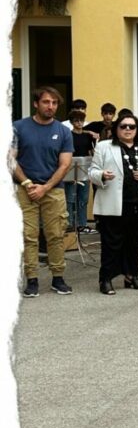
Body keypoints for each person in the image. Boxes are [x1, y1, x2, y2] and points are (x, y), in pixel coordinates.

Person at [89, 112, 138, 294]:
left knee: (133, 244)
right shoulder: (104, 146)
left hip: (137, 204)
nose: (128, 129)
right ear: (116, 129)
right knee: (111, 245)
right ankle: (106, 279)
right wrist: (102, 175)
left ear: (137, 129)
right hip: (112, 205)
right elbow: (92, 172)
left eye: (132, 126)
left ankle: (131, 275)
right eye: (123, 126)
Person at [14, 87, 74, 297]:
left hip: (53, 190)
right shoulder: (18, 128)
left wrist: (46, 187)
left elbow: (64, 165)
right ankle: (32, 280)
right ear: (36, 104)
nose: (51, 107)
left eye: (54, 103)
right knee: (28, 236)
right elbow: (10, 158)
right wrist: (27, 183)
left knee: (56, 235)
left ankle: (58, 277)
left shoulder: (63, 131)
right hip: (25, 189)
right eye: (46, 102)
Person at [64, 109, 95, 233]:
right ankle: (70, 224)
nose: (79, 123)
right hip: (70, 169)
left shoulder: (87, 136)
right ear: (72, 122)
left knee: (83, 198)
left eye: (81, 120)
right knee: (70, 198)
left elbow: (90, 152)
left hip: (84, 169)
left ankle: (82, 224)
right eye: (76, 121)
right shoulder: (68, 135)